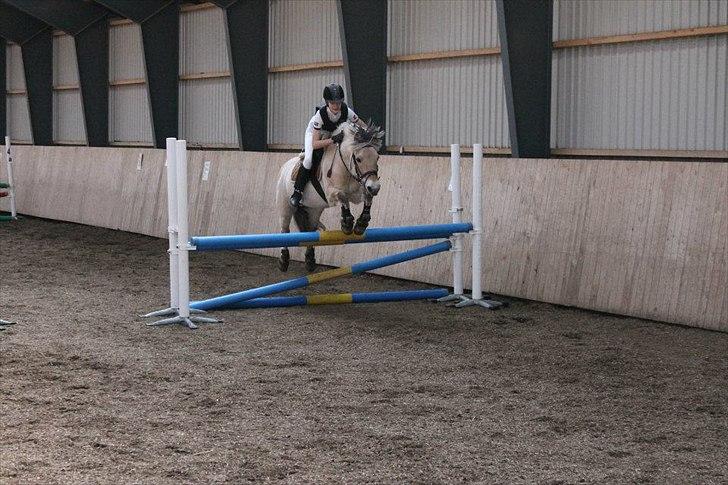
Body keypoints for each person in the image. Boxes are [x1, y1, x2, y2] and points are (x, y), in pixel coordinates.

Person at [289, 83, 365, 207]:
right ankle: (297, 192)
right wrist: (333, 140)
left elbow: (361, 124)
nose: (336, 106)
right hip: (315, 136)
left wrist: (367, 134)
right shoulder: (320, 116)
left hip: (333, 135)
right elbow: (315, 144)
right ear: (327, 102)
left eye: (339, 103)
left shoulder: (346, 110)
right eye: (333, 103)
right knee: (308, 160)